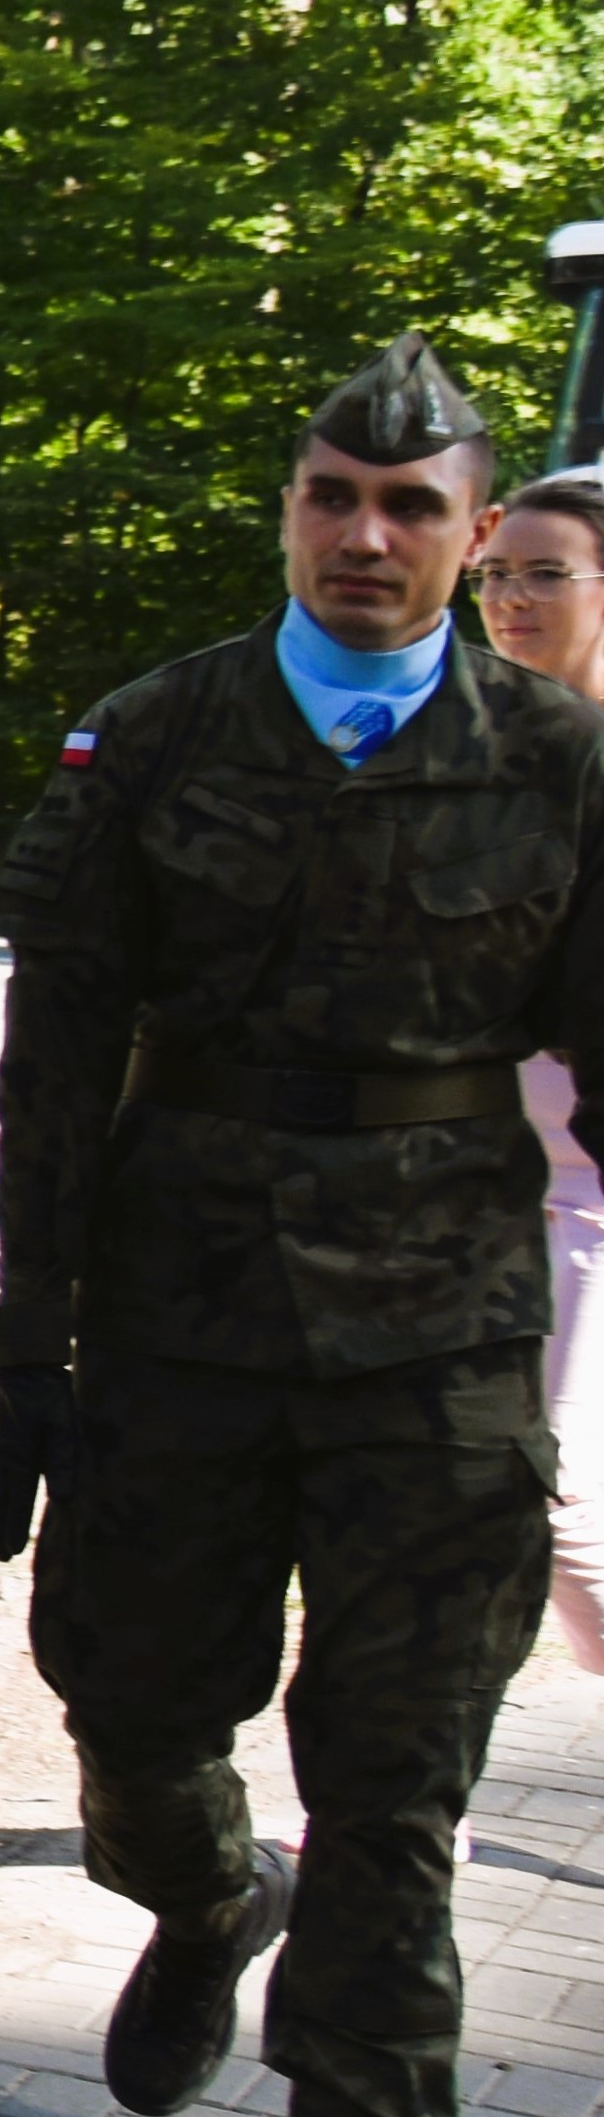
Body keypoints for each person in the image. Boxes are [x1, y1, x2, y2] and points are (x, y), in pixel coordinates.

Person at [0, 333, 604, 2117]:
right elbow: (55, 1063)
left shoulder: (557, 759)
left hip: (442, 1332)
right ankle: (201, 1893)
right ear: (287, 511)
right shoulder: (156, 734)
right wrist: (29, 1347)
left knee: (397, 1779)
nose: (365, 535)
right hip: (182, 1309)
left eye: (411, 507)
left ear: (474, 534)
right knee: (131, 1707)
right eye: (333, 496)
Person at [467, 466, 604, 1681]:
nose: (510, 596)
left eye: (544, 574)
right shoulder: (457, 752)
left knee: (538, 1495)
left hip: (584, 1196)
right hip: (459, 1184)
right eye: (494, 572)